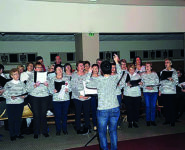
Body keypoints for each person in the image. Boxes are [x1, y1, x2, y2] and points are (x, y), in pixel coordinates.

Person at [86, 54, 122, 150]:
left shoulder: (98, 80)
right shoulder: (114, 78)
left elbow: (87, 84)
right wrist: (117, 61)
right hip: (115, 107)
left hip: (103, 110)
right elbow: (121, 72)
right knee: (113, 131)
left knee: (102, 132)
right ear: (111, 69)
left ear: (101, 70)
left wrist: (89, 72)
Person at [26, 62, 50, 138]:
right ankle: (36, 132)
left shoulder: (46, 76)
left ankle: (44, 131)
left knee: (43, 114)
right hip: (34, 97)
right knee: (36, 115)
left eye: (41, 68)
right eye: (38, 68)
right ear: (35, 69)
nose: (40, 69)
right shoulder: (31, 77)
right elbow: (27, 89)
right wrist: (35, 85)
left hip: (45, 96)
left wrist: (48, 85)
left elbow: (51, 88)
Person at [2, 68, 27, 141]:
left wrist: (24, 96)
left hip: (19, 103)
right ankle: (12, 134)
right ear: (11, 76)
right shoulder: (8, 84)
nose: (17, 75)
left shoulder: (22, 83)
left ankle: (18, 133)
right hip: (10, 103)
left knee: (18, 119)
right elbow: (4, 94)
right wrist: (10, 96)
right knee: (11, 119)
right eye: (15, 74)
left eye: (18, 74)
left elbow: (25, 92)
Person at [48, 64, 71, 135]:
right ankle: (58, 130)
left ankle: (64, 129)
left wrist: (68, 89)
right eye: (58, 69)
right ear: (55, 71)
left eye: (61, 69)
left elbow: (70, 88)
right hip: (56, 100)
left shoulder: (66, 78)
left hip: (65, 99)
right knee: (57, 116)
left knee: (64, 115)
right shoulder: (52, 79)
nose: (60, 70)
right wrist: (53, 90)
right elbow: (49, 89)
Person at [71, 61, 91, 134]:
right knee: (78, 113)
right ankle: (78, 127)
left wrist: (88, 95)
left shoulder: (87, 75)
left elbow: (90, 85)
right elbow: (73, 87)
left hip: (86, 97)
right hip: (77, 97)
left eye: (82, 65)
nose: (82, 67)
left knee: (86, 113)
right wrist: (79, 95)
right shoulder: (74, 75)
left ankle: (87, 127)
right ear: (77, 67)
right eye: (80, 65)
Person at [159, 58, 178, 126]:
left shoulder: (174, 71)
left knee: (172, 107)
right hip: (164, 91)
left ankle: (172, 121)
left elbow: (176, 83)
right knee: (166, 107)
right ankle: (167, 120)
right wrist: (160, 90)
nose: (166, 64)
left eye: (167, 62)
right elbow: (160, 82)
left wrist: (172, 79)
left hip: (171, 92)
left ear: (171, 63)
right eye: (165, 62)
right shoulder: (162, 71)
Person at [123, 64, 142, 128]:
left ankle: (134, 121)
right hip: (128, 94)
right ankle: (130, 122)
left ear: (134, 69)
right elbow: (121, 84)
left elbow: (142, 85)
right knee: (129, 109)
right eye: (130, 69)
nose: (131, 71)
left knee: (136, 109)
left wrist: (141, 84)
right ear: (128, 70)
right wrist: (126, 84)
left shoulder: (138, 75)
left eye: (133, 69)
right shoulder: (125, 75)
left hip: (136, 94)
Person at [141, 62, 159, 126]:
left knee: (153, 106)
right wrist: (145, 86)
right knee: (148, 106)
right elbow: (141, 84)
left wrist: (152, 87)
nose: (147, 67)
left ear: (151, 67)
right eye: (146, 66)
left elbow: (157, 83)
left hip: (154, 92)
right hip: (146, 92)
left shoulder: (154, 74)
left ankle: (153, 120)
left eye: (148, 66)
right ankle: (148, 120)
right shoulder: (143, 75)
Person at [90, 64, 100, 131]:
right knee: (94, 111)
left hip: (100, 96)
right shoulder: (90, 78)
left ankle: (101, 124)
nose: (95, 69)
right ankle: (95, 124)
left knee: (100, 111)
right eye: (94, 68)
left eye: (96, 68)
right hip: (93, 96)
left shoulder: (101, 77)